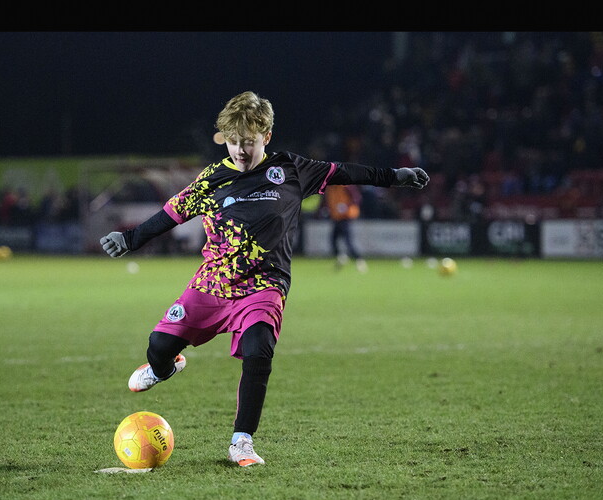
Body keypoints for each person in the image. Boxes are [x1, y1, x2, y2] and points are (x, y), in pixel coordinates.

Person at [99, 91, 428, 467]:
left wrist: (396, 177)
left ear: (266, 137)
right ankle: (164, 367)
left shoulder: (290, 169)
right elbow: (170, 215)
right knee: (158, 344)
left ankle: (242, 442)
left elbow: (345, 171)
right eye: (234, 141)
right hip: (213, 283)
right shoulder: (212, 179)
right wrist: (129, 239)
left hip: (264, 286)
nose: (240, 150)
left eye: (249, 142)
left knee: (258, 351)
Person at [324, 183, 367, 272]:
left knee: (348, 241)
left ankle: (359, 260)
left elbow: (357, 198)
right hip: (336, 217)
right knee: (333, 239)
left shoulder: (345, 186)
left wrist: (346, 206)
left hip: (346, 216)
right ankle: (341, 257)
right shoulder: (330, 188)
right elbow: (328, 201)